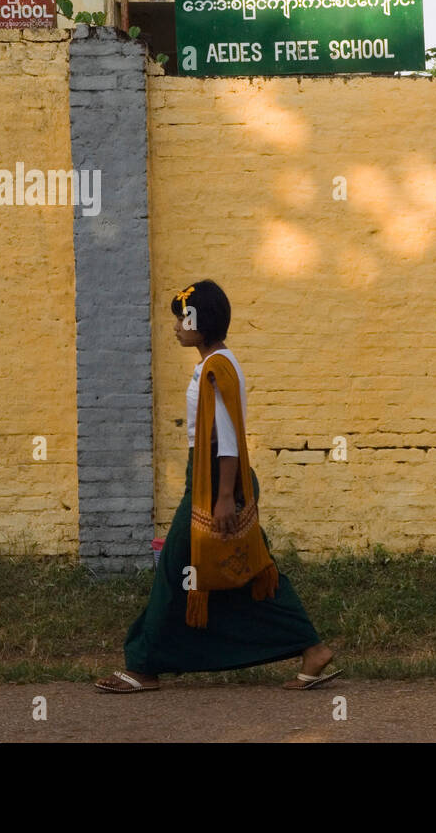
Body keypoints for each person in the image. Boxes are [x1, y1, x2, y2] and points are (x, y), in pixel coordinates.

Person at [95, 279, 339, 693]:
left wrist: (225, 497)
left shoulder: (217, 368)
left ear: (201, 322)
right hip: (210, 479)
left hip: (216, 484)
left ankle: (142, 666)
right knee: (247, 572)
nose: (176, 326)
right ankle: (312, 650)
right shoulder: (213, 363)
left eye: (181, 317)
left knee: (176, 570)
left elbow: (226, 438)